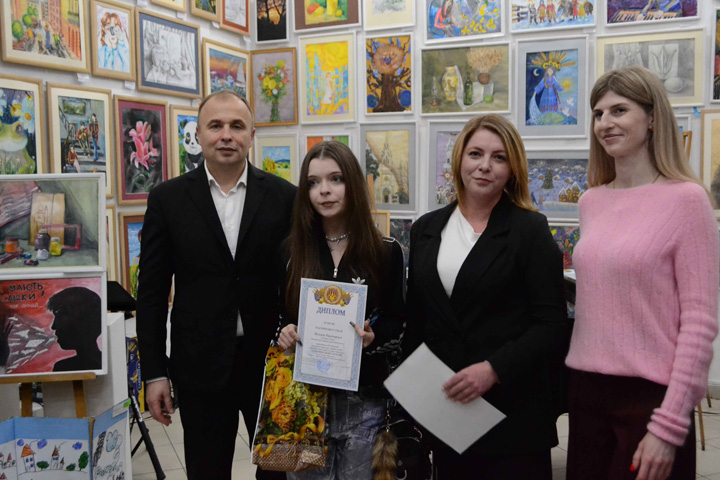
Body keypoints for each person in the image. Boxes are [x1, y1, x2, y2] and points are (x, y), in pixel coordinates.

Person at [565, 65, 719, 480]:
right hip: (587, 391)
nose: (605, 123)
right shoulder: (591, 201)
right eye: (598, 114)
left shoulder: (687, 201)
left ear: (652, 119)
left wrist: (670, 424)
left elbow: (700, 323)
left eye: (619, 110)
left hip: (651, 399)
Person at [136, 90, 296, 480]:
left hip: (272, 365)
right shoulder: (167, 200)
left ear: (251, 136)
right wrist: (154, 373)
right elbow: (151, 294)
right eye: (216, 126)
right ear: (199, 134)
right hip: (199, 368)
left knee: (281, 473)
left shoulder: (285, 197)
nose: (226, 135)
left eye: (237, 126)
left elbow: (298, 280)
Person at [403, 114, 567, 479]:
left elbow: (551, 325)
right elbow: (418, 320)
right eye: (475, 153)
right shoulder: (427, 228)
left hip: (512, 413)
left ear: (512, 169)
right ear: (459, 158)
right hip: (447, 410)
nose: (484, 166)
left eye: (499, 157)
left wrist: (494, 369)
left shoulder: (530, 230)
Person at [277, 141, 405, 480]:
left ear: (353, 185)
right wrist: (285, 330)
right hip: (305, 399)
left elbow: (398, 321)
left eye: (336, 179)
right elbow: (280, 314)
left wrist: (374, 337)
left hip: (364, 401)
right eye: (313, 182)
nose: (324, 190)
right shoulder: (291, 251)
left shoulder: (386, 251)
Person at [49, 287, 102, 372]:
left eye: (60, 316)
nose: (54, 326)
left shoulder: (64, 368)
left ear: (83, 320)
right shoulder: (63, 367)